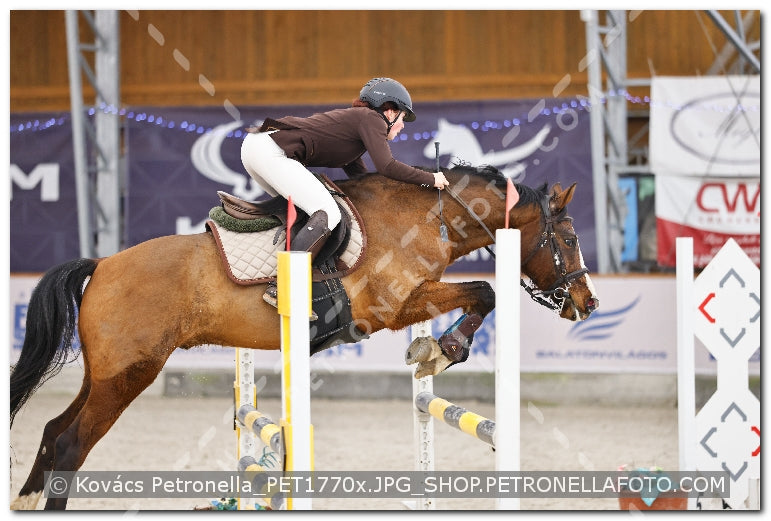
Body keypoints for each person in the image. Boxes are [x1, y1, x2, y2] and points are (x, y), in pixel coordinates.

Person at [241, 77, 450, 309]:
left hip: (259, 147)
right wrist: (431, 179)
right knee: (328, 213)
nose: (402, 125)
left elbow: (364, 183)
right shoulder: (372, 119)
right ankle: (282, 288)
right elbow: (387, 166)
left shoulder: (357, 131)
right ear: (390, 112)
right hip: (268, 150)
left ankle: (282, 277)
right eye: (403, 118)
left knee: (309, 213)